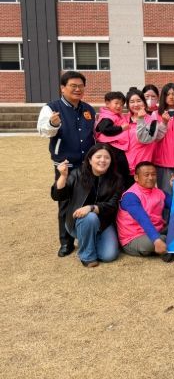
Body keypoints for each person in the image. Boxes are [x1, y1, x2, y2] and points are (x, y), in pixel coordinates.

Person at [37, 71, 96, 257]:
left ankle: (85, 236)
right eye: (73, 86)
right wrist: (53, 124)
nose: (78, 89)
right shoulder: (51, 108)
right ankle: (66, 242)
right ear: (63, 88)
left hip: (86, 165)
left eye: (81, 86)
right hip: (65, 165)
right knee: (65, 202)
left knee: (87, 199)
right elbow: (43, 131)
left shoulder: (88, 109)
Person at [51, 144, 122, 267]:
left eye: (107, 157)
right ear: (89, 160)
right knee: (90, 217)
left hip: (104, 223)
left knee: (109, 256)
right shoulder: (77, 174)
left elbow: (112, 205)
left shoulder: (116, 179)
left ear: (111, 161)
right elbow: (58, 196)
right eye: (98, 157)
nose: (102, 160)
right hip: (78, 223)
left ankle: (89, 240)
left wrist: (91, 207)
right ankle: (87, 256)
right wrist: (63, 176)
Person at [115, 162, 173, 260]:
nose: (151, 178)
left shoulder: (159, 192)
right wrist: (156, 239)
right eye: (146, 175)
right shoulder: (130, 196)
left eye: (153, 174)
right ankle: (166, 246)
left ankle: (166, 247)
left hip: (156, 231)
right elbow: (143, 220)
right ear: (136, 177)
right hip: (133, 239)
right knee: (164, 239)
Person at [123, 88, 165, 183]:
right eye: (132, 102)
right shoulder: (123, 119)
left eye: (139, 101)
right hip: (124, 167)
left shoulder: (152, 121)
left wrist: (141, 119)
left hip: (142, 169)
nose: (136, 104)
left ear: (144, 102)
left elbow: (145, 139)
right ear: (128, 105)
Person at [94, 91, 131, 184]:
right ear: (107, 103)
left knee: (120, 169)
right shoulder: (107, 116)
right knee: (119, 169)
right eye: (116, 103)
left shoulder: (115, 115)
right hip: (110, 146)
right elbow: (105, 129)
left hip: (115, 146)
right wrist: (121, 128)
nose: (119, 106)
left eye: (121, 104)